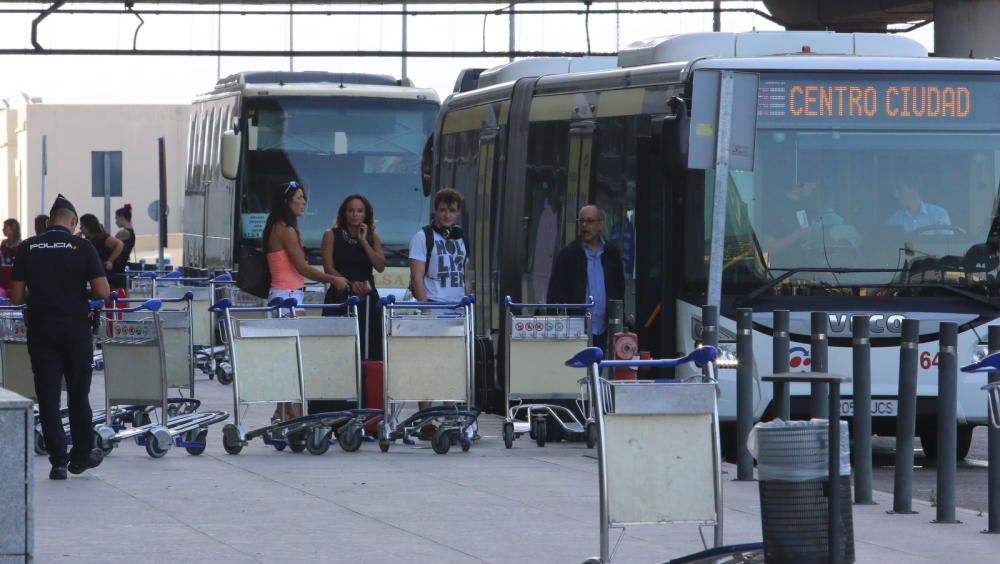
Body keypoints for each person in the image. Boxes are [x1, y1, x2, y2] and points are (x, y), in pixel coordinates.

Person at [9, 194, 110, 480]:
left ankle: (58, 462)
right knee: (79, 394)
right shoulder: (83, 246)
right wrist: (78, 294)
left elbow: (16, 296)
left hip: (41, 330)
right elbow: (102, 292)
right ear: (73, 221)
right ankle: (81, 456)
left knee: (48, 396)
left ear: (50, 219)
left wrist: (41, 294)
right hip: (76, 330)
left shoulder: (28, 247)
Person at [263, 180, 349, 422]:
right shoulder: (286, 230)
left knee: (287, 358)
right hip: (287, 297)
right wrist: (333, 278)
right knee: (296, 358)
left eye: (303, 197)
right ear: (286, 201)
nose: (303, 202)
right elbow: (302, 267)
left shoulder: (277, 227)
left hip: (286, 296)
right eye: (298, 197)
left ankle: (283, 412)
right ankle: (292, 413)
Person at [408, 188, 472, 440]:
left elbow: (467, 273)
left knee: (453, 365)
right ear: (435, 210)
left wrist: (467, 299)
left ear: (458, 213)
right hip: (434, 307)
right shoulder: (423, 237)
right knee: (427, 363)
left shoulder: (460, 238)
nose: (447, 215)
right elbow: (417, 275)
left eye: (452, 210)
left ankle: (450, 417)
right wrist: (425, 309)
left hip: (457, 308)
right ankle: (426, 419)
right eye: (443, 210)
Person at [546, 205, 625, 352]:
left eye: (589, 221)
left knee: (598, 370)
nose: (584, 225)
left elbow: (619, 289)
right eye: (581, 221)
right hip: (576, 329)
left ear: (601, 224)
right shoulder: (568, 254)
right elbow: (554, 294)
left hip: (604, 329)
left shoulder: (611, 254)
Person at [321, 194, 385, 358]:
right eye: (351, 210)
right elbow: (328, 267)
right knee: (338, 347)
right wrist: (350, 284)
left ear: (366, 214)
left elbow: (380, 266)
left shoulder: (373, 238)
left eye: (359, 211)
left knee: (368, 345)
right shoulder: (331, 235)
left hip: (367, 298)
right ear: (344, 213)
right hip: (340, 294)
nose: (355, 214)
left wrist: (363, 241)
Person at [760, 180, 820, 266]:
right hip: (779, 273)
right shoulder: (775, 206)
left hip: (802, 271)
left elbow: (805, 238)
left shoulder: (807, 205)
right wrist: (798, 234)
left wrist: (811, 236)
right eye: (810, 181)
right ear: (797, 181)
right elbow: (769, 248)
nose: (814, 186)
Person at [79, 213, 125, 288]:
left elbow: (120, 244)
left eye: (82, 226)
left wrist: (110, 261)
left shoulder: (102, 237)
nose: (80, 229)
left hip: (105, 274)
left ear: (89, 226)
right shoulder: (87, 240)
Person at [886, 181, 952, 233]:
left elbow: (947, 245)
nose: (895, 195)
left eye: (900, 190)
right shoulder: (893, 220)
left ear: (914, 190)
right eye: (894, 191)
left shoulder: (939, 214)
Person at [113, 203, 136, 272]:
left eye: (116, 218)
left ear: (122, 217)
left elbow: (108, 245)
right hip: (121, 266)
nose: (116, 222)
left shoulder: (123, 233)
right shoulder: (131, 232)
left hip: (115, 267)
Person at [1, 218, 21, 295]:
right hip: (3, 275)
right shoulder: (3, 243)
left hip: (14, 276)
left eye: (5, 227)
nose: (3, 229)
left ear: (13, 229)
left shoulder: (20, 244)